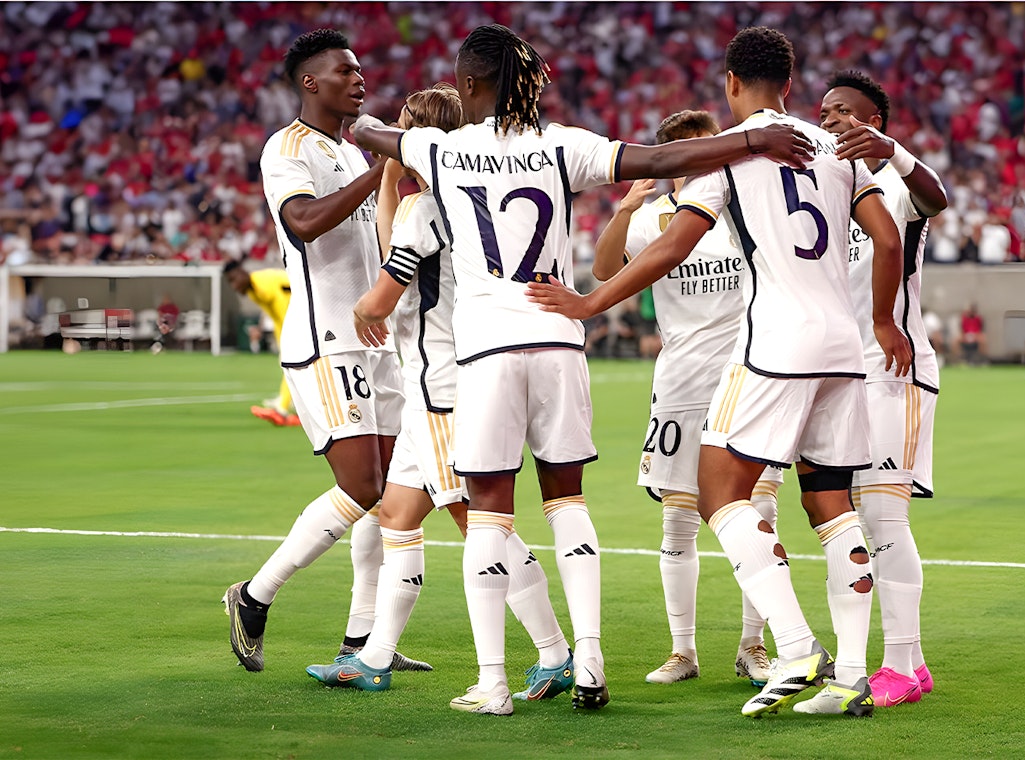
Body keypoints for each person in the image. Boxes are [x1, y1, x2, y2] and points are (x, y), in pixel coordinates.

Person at [352, 23, 814, 715]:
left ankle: (493, 683)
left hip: (487, 350)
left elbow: (376, 136)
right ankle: (590, 660)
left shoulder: (440, 150)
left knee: (488, 513)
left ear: (471, 84)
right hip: (560, 340)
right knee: (567, 502)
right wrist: (751, 139)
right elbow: (664, 160)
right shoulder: (565, 144)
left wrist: (358, 120)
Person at [526, 26, 911, 718]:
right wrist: (883, 321)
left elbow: (673, 245)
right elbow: (887, 237)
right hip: (844, 349)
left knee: (718, 492)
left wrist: (588, 303)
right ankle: (851, 675)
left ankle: (794, 645)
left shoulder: (732, 153)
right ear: (791, 86)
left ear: (731, 83)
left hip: (776, 345)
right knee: (830, 504)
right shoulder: (835, 147)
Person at [304, 84, 576, 704]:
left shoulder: (426, 211)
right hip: (435, 384)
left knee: (480, 522)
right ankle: (373, 657)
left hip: (445, 389)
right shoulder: (462, 205)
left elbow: (379, 293)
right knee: (397, 514)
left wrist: (366, 303)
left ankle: (555, 651)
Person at [223, 28, 418, 677]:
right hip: (326, 339)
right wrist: (377, 176)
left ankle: (361, 641)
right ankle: (254, 596)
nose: (360, 79)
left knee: (391, 490)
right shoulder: (288, 148)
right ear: (311, 82)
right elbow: (303, 224)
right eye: (345, 71)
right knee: (362, 483)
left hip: (381, 341)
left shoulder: (357, 148)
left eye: (361, 70)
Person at [591, 109, 781, 688]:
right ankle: (683, 651)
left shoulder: (742, 209)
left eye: (712, 149)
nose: (705, 161)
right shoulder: (653, 221)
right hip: (679, 380)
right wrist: (624, 208)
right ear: (674, 162)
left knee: (760, 510)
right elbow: (603, 273)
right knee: (678, 521)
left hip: (745, 375)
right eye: (693, 153)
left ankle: (755, 644)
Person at [813, 69, 948, 709]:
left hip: (896, 367)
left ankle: (894, 666)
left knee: (886, 518)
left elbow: (938, 197)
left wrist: (890, 152)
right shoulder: (821, 186)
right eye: (825, 109)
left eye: (848, 111)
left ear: (878, 123)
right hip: (843, 372)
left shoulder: (894, 183)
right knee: (864, 516)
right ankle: (912, 662)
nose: (833, 117)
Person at [223, 259, 301, 427]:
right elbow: (274, 314)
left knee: (293, 364)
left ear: (242, 273)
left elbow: (285, 308)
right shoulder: (252, 290)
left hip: (301, 319)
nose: (234, 286)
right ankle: (294, 402)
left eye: (234, 280)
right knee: (289, 362)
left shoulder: (264, 283)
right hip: (290, 321)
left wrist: (289, 334)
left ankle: (281, 408)